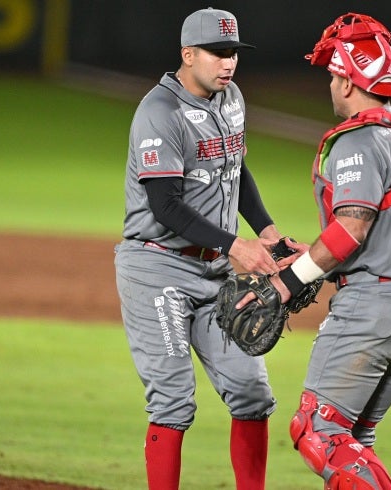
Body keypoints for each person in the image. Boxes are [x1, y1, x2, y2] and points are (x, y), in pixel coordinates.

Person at [238, 12, 391, 490]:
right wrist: (309, 254)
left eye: (333, 73)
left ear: (350, 80)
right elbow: (382, 230)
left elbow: (352, 229)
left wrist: (287, 282)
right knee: (354, 441)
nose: (330, 83)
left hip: (373, 306)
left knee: (318, 431)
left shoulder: (360, 140)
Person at [114, 7, 286, 490]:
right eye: (216, 53)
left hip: (215, 271)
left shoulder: (231, 99)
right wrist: (237, 245)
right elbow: (164, 205)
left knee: (252, 391)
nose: (227, 63)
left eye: (233, 52)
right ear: (188, 54)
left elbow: (235, 169)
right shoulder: (159, 112)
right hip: (158, 268)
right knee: (173, 399)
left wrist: (266, 230)